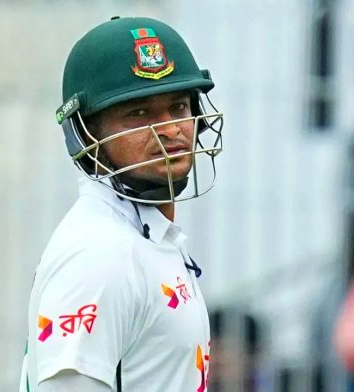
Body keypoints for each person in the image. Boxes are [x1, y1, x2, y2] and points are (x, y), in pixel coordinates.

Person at [19, 16, 224, 392]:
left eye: (178, 107)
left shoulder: (146, 239)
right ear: (85, 132)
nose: (169, 129)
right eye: (138, 113)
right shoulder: (100, 253)